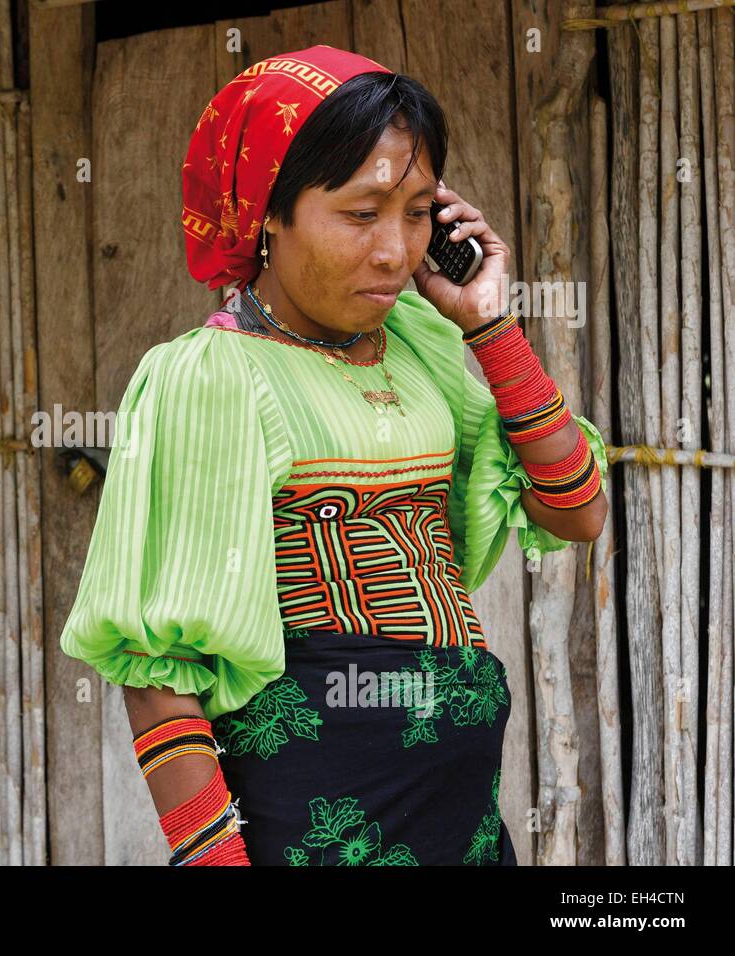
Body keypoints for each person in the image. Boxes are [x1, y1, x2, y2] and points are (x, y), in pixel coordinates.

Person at [58, 46, 608, 866]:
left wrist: (490, 329)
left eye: (420, 212)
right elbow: (159, 667)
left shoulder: (419, 346)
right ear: (267, 213)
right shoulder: (215, 376)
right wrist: (213, 859)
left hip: (465, 820)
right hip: (322, 825)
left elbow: (577, 509)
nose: (395, 251)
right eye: (362, 213)